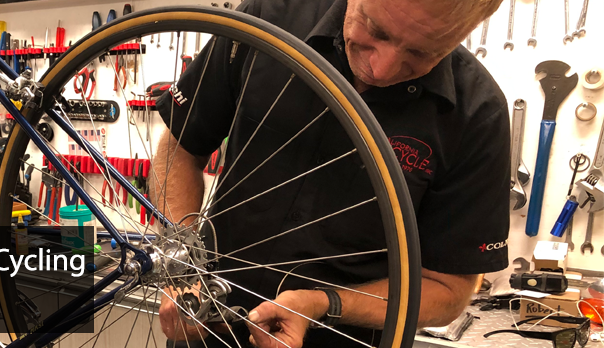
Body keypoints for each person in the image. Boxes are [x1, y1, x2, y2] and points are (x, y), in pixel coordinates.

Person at [150, 0, 509, 346]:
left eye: (421, 53)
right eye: (375, 29)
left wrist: (326, 304)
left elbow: (449, 290)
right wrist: (180, 266)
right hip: (204, 330)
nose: (381, 68)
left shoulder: (479, 113)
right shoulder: (269, 16)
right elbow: (179, 148)